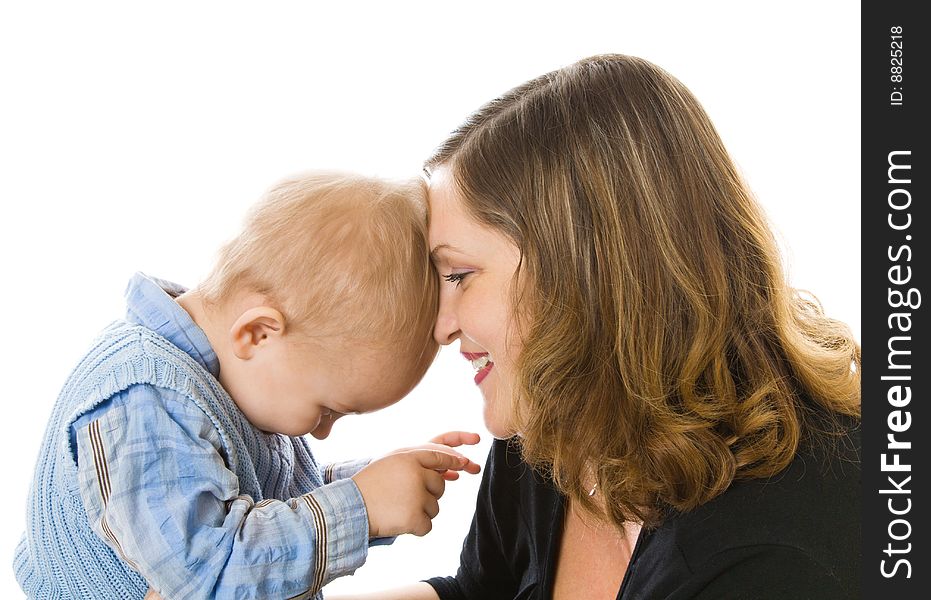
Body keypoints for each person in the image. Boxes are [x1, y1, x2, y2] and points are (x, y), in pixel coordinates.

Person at [351, 54, 861, 599]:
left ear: (580, 272)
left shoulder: (771, 560)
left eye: (459, 274)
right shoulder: (554, 425)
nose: (440, 326)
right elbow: (481, 591)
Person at [13, 171, 482, 600]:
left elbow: (258, 503)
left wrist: (368, 482)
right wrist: (361, 508)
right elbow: (209, 575)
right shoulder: (145, 399)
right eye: (327, 410)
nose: (321, 432)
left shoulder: (227, 384)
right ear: (258, 333)